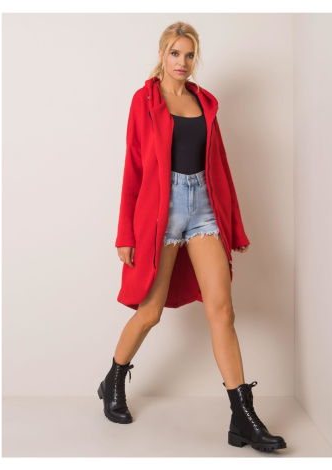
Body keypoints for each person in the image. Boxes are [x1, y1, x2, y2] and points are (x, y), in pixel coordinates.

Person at [97, 21, 287, 452]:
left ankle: (243, 418)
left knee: (222, 311)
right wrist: (125, 233)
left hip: (203, 209)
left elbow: (220, 167)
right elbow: (133, 167)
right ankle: (113, 379)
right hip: (160, 214)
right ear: (162, 54)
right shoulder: (144, 100)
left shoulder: (204, 101)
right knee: (150, 313)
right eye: (175, 53)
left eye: (189, 55)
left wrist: (233, 225)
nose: (182, 62)